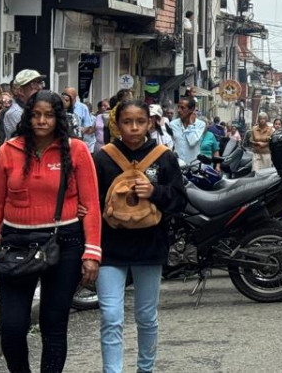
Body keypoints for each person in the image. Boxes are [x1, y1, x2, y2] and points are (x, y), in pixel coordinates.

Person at [0, 90, 102, 373]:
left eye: (49, 115)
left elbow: (91, 204)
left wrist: (92, 251)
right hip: (15, 244)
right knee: (12, 327)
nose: (41, 121)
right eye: (36, 114)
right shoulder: (9, 150)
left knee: (54, 324)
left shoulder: (76, 151)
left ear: (58, 118)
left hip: (65, 242)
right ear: (28, 116)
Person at [93, 99, 186, 373]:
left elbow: (180, 200)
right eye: (127, 122)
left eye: (140, 122)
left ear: (150, 123)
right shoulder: (102, 157)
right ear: (117, 124)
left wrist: (154, 192)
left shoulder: (163, 156)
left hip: (149, 246)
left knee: (146, 317)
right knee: (110, 317)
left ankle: (145, 369)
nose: (134, 128)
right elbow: (92, 201)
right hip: (110, 247)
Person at [3, 69, 45, 138]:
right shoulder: (15, 113)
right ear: (21, 91)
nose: (39, 87)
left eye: (40, 83)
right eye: (34, 84)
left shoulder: (37, 107)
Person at [168, 97, 206, 165]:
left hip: (193, 167)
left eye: (182, 108)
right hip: (177, 166)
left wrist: (191, 125)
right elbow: (170, 145)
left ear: (191, 109)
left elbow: (192, 142)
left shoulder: (200, 124)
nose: (179, 110)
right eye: (178, 107)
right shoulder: (172, 124)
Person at [64, 87, 96, 153]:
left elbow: (87, 124)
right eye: (64, 95)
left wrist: (78, 132)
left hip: (78, 142)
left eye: (68, 96)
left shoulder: (83, 107)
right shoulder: (59, 107)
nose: (65, 97)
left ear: (73, 97)